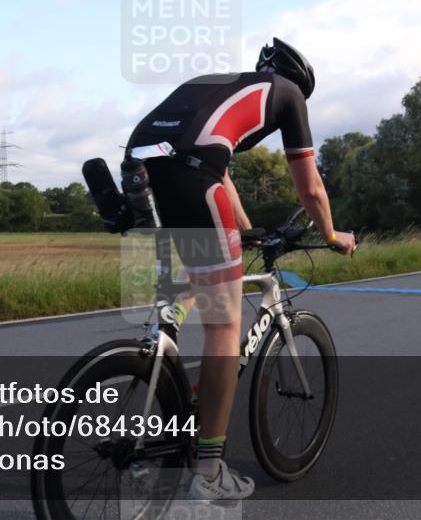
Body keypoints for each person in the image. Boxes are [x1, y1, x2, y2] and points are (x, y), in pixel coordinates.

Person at [126, 37, 357, 502]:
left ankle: (165, 338)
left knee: (202, 281)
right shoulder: (288, 95)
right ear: (299, 84)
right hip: (192, 175)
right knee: (225, 325)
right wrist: (333, 237)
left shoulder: (220, 88)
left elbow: (220, 168)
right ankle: (208, 473)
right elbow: (310, 187)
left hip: (138, 167)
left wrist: (246, 230)